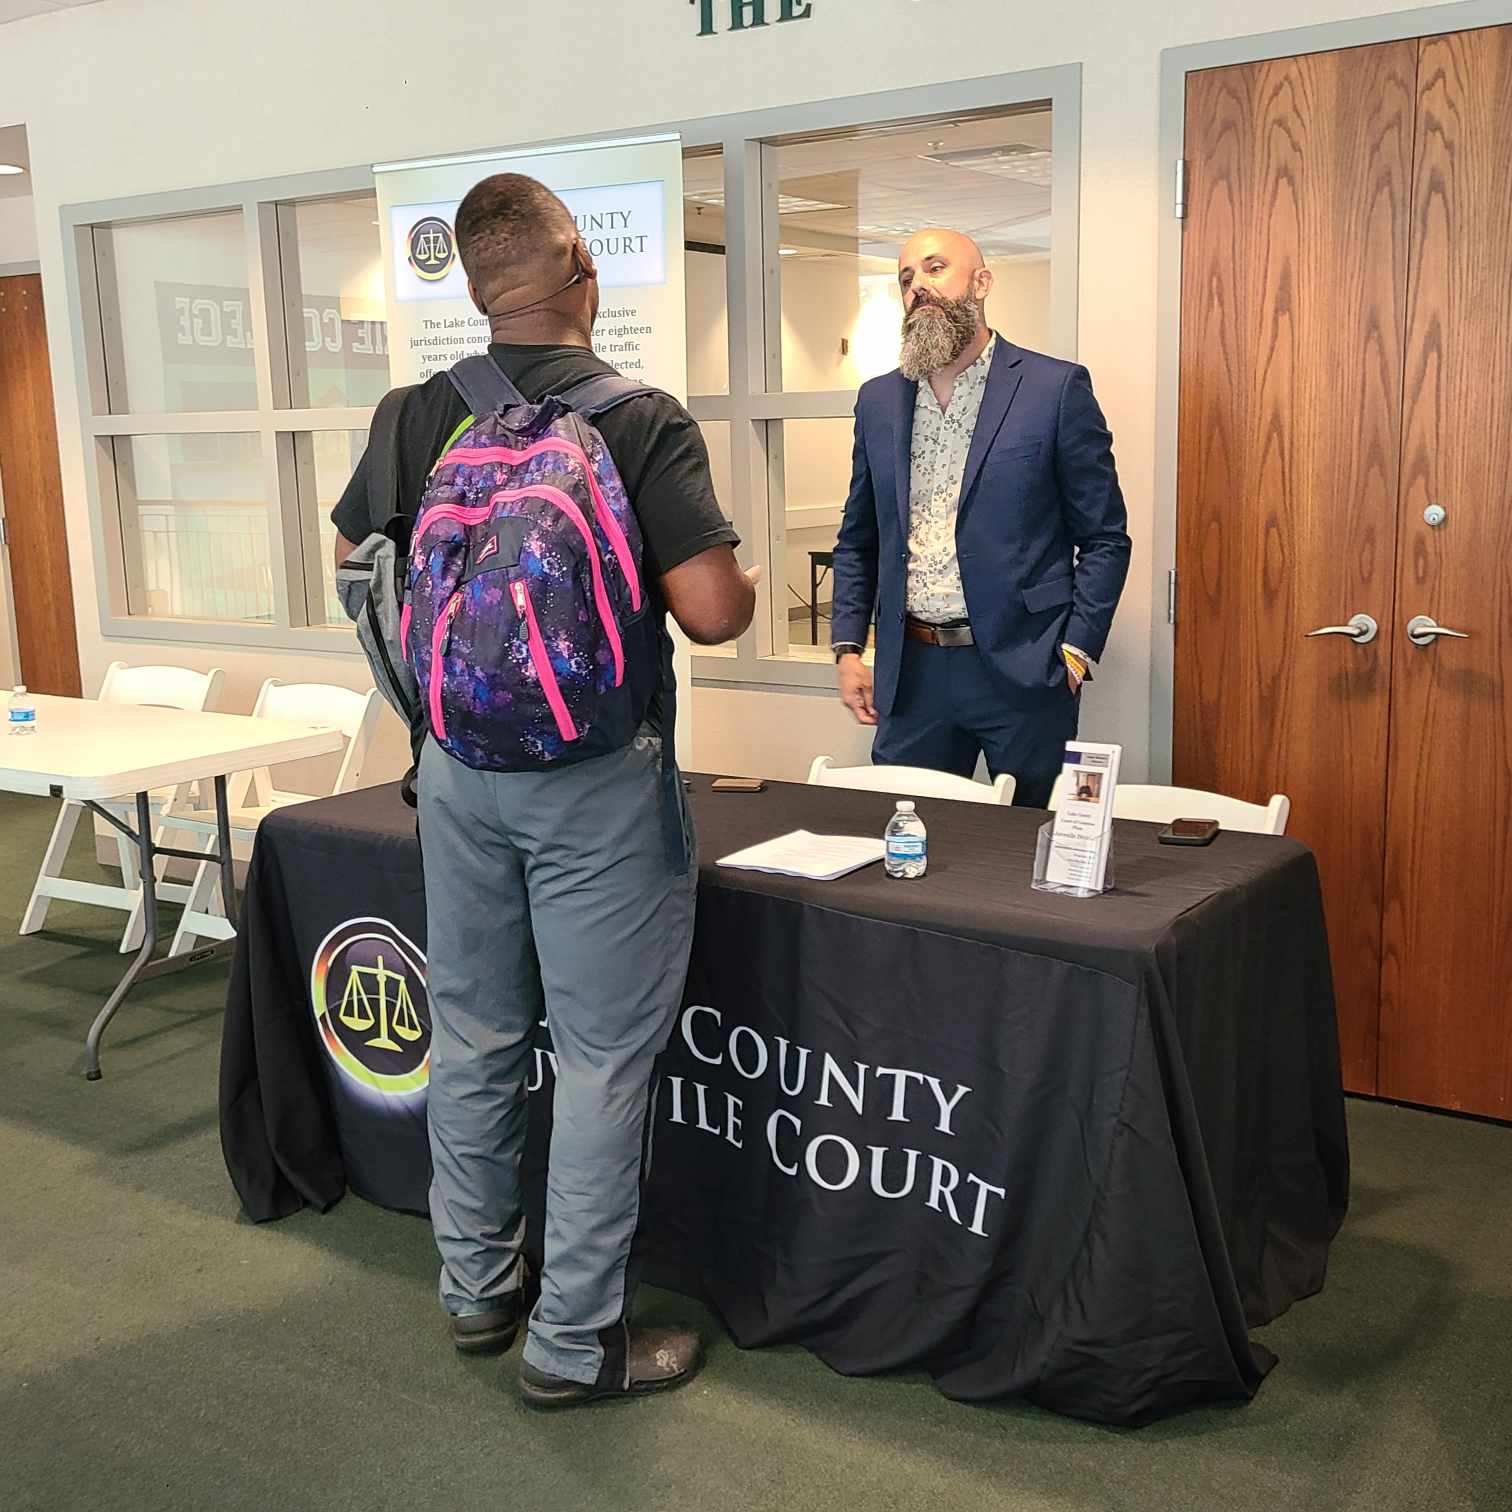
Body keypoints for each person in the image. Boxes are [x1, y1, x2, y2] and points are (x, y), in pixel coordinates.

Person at [331, 173, 755, 1408]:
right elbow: (717, 613)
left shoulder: (416, 414)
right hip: (593, 789)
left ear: (471, 287)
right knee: (604, 1059)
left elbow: (358, 566)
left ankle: (476, 1290)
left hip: (455, 776)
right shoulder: (640, 417)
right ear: (583, 266)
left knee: (469, 1031)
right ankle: (574, 1344)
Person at [830, 228, 1131, 808]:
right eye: (906, 278)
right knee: (907, 839)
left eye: (936, 268)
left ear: (982, 282)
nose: (918, 285)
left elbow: (1104, 538)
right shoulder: (878, 401)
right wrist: (848, 649)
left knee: (1029, 844)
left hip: (1024, 668)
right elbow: (858, 539)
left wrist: (1074, 653)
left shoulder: (1054, 389)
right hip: (911, 672)